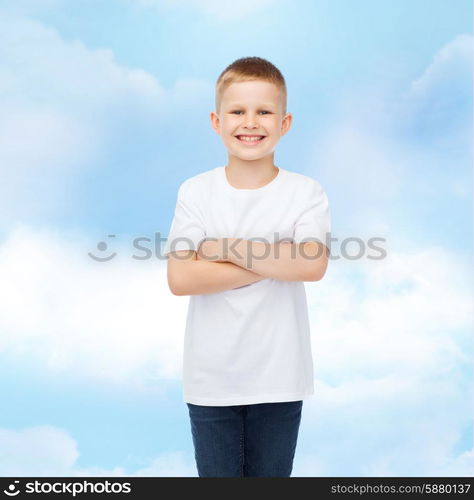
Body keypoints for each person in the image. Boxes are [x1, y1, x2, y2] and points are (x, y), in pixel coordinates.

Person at [162, 56, 331, 477]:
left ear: (285, 122)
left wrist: (224, 247)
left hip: (280, 375)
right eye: (237, 111)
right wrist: (277, 258)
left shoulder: (305, 192)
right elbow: (182, 278)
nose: (250, 122)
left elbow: (312, 265)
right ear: (217, 121)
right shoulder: (197, 191)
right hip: (210, 379)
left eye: (264, 112)